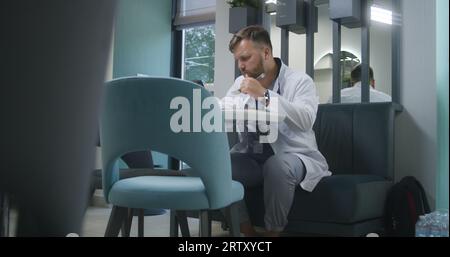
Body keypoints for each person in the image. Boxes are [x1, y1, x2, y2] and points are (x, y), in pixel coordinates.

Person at [223, 25, 331, 237]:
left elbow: (305, 120)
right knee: (219, 165)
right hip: (251, 158)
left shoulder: (300, 81)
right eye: (238, 60)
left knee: (277, 166)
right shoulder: (240, 82)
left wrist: (264, 95)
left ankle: (273, 233)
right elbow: (225, 108)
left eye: (245, 58)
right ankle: (246, 232)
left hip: (292, 156)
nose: (241, 66)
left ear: (266, 53)